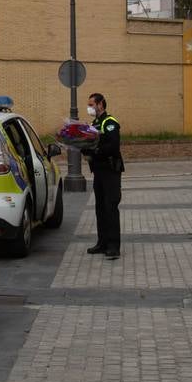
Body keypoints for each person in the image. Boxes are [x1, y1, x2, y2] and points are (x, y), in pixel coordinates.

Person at [84, 92, 124, 260]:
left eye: (92, 104)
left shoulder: (110, 123)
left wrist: (96, 152)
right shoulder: (95, 123)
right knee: (100, 207)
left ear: (100, 104)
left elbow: (113, 146)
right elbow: (89, 143)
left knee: (110, 207)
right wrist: (83, 149)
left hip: (110, 170)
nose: (90, 108)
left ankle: (113, 246)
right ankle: (102, 243)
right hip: (99, 171)